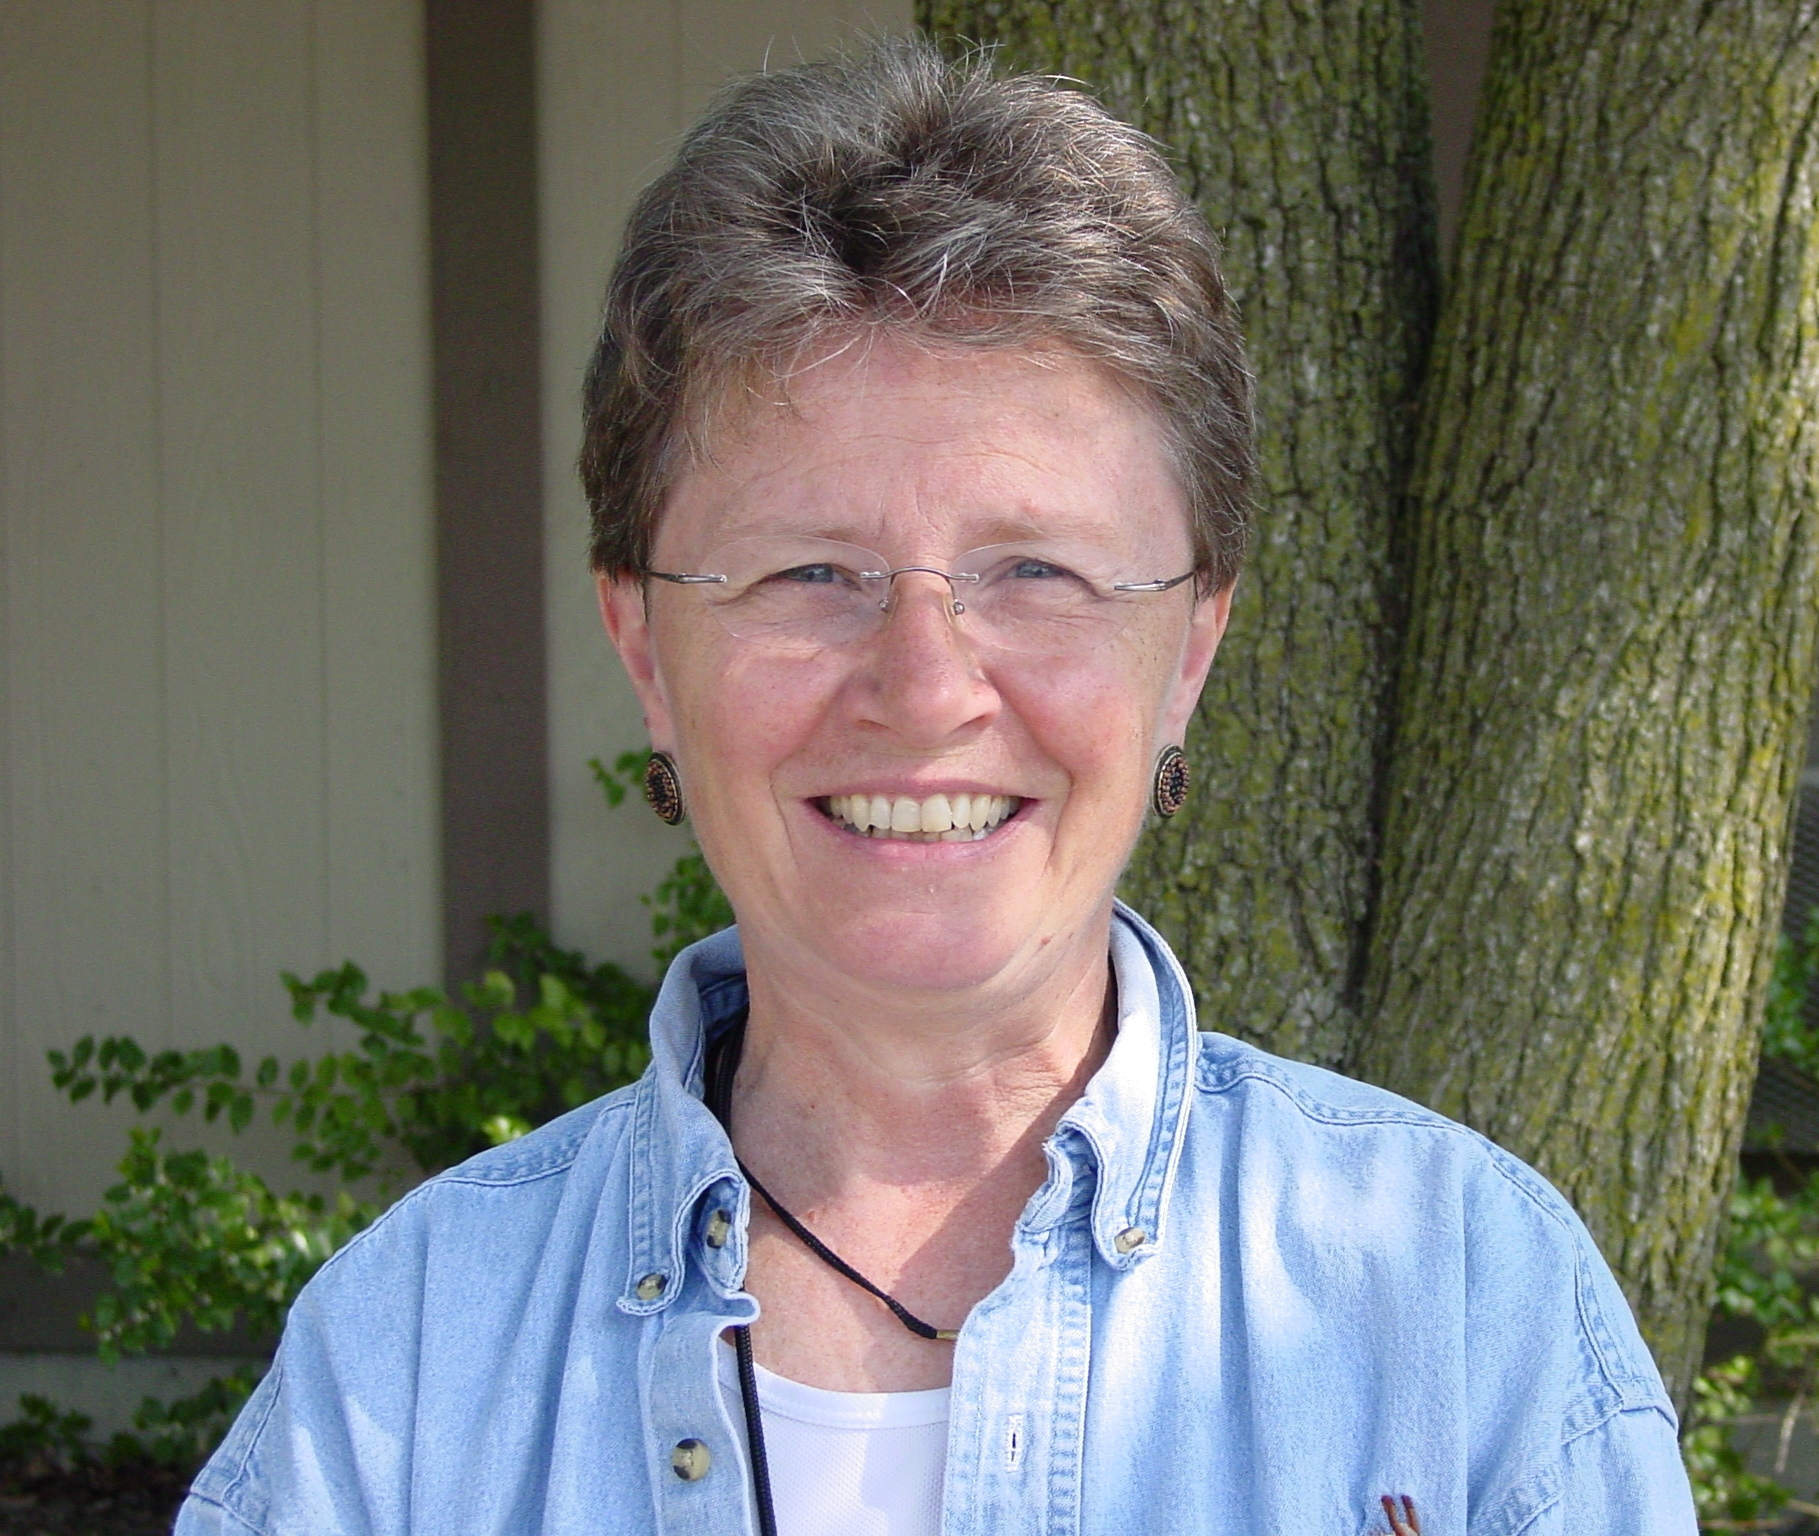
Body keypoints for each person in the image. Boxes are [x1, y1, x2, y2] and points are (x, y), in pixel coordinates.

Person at [177, 38, 1695, 1536]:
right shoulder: (407, 1362)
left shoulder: (1465, 1313)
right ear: (645, 647)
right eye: (807, 571)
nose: (924, 686)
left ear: (1189, 649)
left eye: (1035, 570)